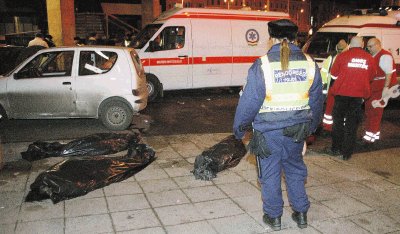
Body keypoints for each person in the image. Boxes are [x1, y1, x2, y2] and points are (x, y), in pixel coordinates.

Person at [233, 19, 323, 231]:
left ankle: (274, 217)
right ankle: (301, 213)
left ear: (271, 37)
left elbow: (249, 102)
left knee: (270, 173)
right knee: (294, 169)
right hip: (296, 131)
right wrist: (309, 131)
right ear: (294, 38)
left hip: (267, 133)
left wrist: (239, 129)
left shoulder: (262, 64)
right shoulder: (310, 63)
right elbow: (317, 101)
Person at [325, 36, 377, 160]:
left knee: (337, 123)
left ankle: (336, 147)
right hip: (357, 97)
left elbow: (333, 75)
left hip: (341, 95)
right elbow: (371, 77)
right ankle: (347, 153)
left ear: (350, 44)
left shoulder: (342, 56)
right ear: (362, 44)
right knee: (351, 125)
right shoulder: (369, 58)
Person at [362, 38, 398, 144]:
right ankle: (374, 135)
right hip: (375, 89)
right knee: (371, 111)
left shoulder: (384, 56)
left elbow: (388, 74)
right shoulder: (377, 55)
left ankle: (369, 137)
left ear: (378, 45)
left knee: (374, 112)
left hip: (379, 89)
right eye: (367, 46)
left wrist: (385, 89)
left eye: (370, 46)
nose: (368, 49)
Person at [321, 39, 348, 133]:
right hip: (333, 89)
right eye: (339, 49)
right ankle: (328, 127)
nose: (340, 51)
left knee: (337, 110)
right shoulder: (332, 58)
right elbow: (324, 73)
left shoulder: (334, 58)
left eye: (342, 49)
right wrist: (325, 89)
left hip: (340, 89)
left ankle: (335, 127)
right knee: (329, 110)